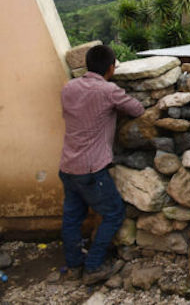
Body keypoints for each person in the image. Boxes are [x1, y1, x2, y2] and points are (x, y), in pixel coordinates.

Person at [59, 44, 144, 284]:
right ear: (111, 68)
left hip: (67, 165)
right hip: (91, 170)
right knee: (114, 213)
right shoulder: (108, 90)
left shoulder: (68, 88)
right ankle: (93, 266)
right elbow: (137, 109)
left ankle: (74, 266)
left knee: (72, 218)